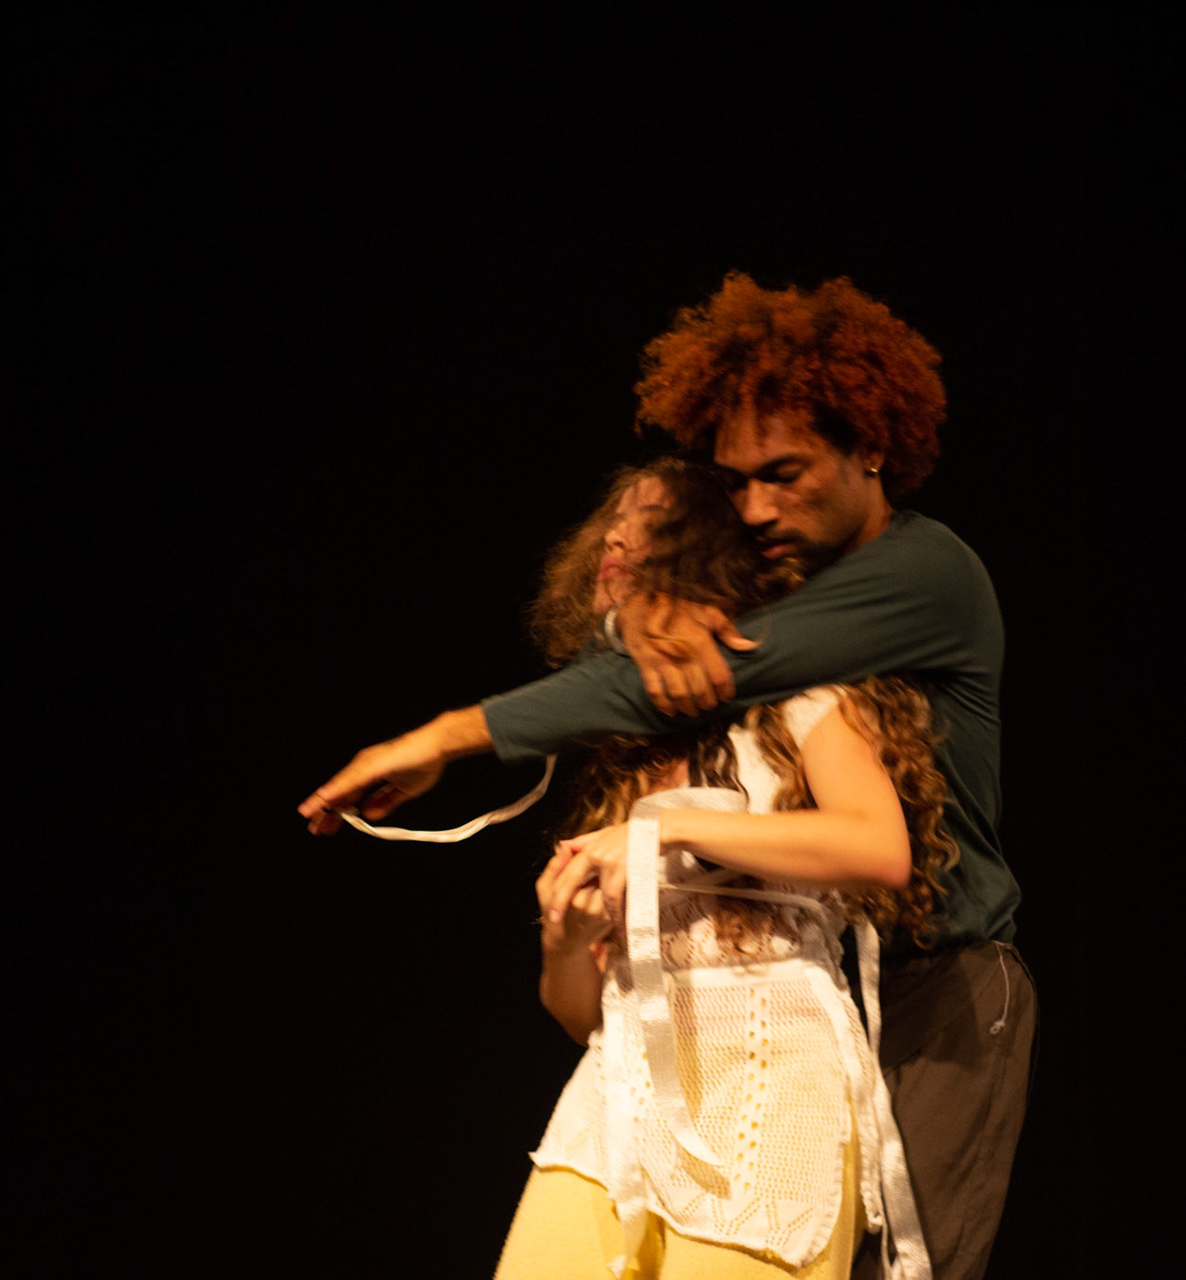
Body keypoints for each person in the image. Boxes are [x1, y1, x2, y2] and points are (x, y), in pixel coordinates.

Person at [301, 274, 1033, 1279]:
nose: (759, 507)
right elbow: (673, 667)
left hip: (934, 981)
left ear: (869, 446)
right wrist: (659, 620)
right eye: (737, 485)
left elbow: (706, 676)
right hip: (812, 978)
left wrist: (443, 738)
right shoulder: (782, 579)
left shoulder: (924, 572)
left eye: (785, 472)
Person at [493, 458, 947, 1279]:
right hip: (617, 1095)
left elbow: (878, 847)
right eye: (612, 523)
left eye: (649, 524)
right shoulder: (626, 752)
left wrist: (664, 831)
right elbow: (578, 1014)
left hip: (770, 1079)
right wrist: (564, 941)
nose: (616, 539)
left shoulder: (805, 701)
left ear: (709, 552)